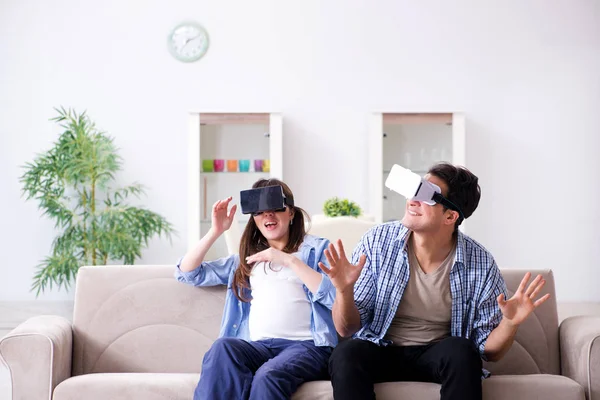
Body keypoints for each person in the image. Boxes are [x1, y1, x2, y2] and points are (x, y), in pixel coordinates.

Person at [321, 163, 550, 400]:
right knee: (346, 352)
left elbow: (489, 351)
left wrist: (509, 323)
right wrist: (344, 291)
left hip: (437, 354)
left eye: (427, 195)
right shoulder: (377, 241)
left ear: (450, 216)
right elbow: (346, 328)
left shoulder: (480, 262)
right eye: (415, 189)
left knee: (462, 350)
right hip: (381, 348)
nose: (412, 200)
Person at [175, 178, 337, 400]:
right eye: (259, 212)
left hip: (307, 347)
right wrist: (216, 230)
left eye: (276, 208)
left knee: (267, 376)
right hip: (259, 347)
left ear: (291, 213)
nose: (267, 215)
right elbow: (187, 273)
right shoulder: (246, 260)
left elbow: (337, 298)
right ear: (253, 218)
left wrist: (289, 260)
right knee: (223, 348)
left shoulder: (318, 249)